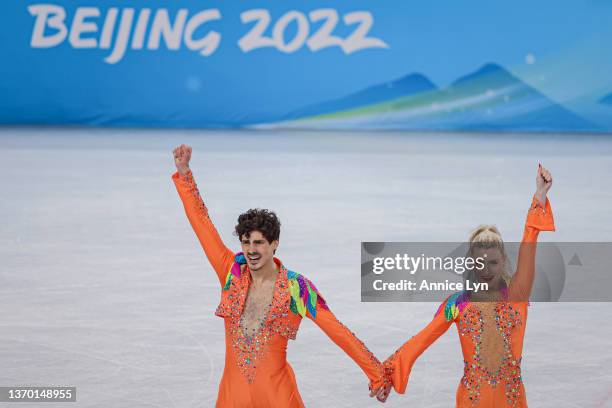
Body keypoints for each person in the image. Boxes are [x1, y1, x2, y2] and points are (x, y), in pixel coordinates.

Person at [171, 144, 388, 407]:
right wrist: (185, 175)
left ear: (275, 244)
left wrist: (377, 374)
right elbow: (201, 223)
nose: (251, 250)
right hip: (233, 397)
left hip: (277, 398)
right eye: (246, 242)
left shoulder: (297, 288)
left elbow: (339, 333)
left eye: (259, 243)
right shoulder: (231, 270)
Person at [374, 164, 555, 407]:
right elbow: (421, 340)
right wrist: (385, 375)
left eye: (493, 262)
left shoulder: (517, 294)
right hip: (471, 401)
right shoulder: (458, 304)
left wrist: (539, 196)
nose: (487, 269)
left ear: (502, 261)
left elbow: (530, 239)